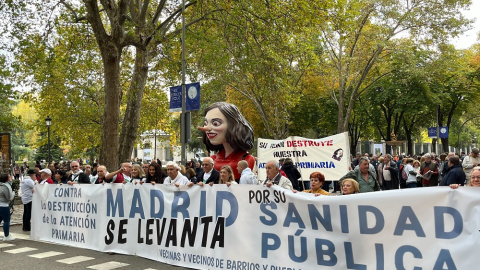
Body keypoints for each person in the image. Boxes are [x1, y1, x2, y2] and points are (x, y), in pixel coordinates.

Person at [197, 102, 255, 180]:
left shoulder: (246, 159)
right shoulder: (212, 159)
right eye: (206, 123)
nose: (207, 129)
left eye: (215, 123)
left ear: (232, 125)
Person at [0, 173, 14, 241]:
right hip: (4, 205)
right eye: (9, 177)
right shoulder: (5, 187)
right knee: (6, 221)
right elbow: (9, 198)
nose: (10, 177)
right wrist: (13, 193)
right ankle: (6, 235)